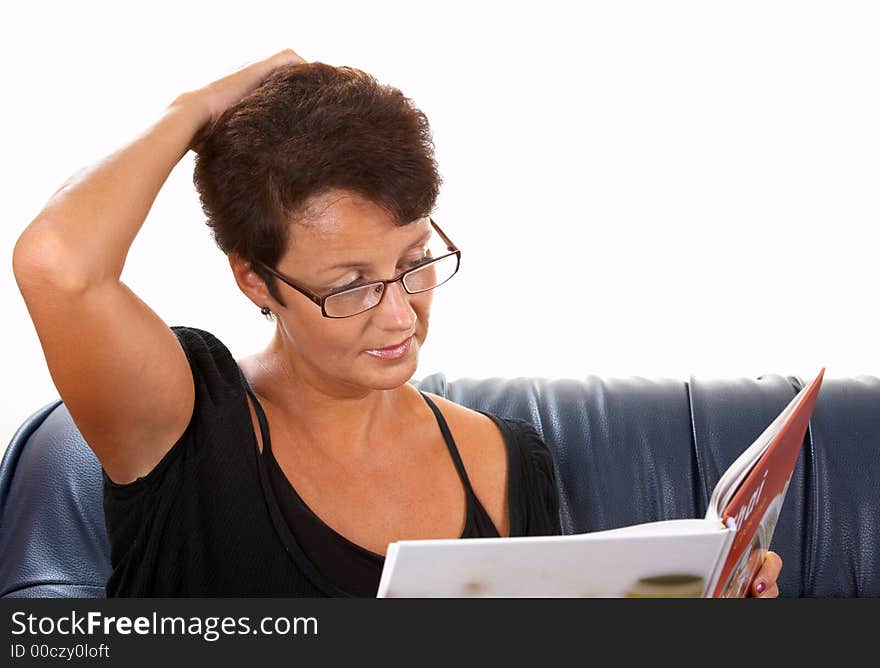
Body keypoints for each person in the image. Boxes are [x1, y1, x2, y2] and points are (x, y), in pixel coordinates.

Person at [12, 49, 782, 598]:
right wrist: (195, 110)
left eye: (415, 263)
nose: (398, 312)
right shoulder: (180, 418)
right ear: (254, 278)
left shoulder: (502, 459)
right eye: (348, 286)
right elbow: (56, 262)